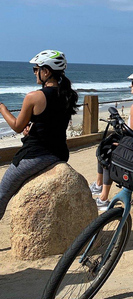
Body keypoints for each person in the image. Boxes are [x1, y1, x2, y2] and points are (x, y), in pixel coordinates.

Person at [0, 50, 78, 220]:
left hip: (36, 155)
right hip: (59, 152)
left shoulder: (34, 97)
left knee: (2, 194)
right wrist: (32, 129)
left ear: (47, 71)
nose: (35, 72)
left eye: (36, 69)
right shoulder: (68, 95)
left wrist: (2, 108)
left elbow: (16, 127)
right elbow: (52, 123)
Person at [91, 69, 133, 211]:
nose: (131, 86)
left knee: (107, 149)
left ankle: (103, 197)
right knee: (110, 143)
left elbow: (131, 137)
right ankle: (98, 186)